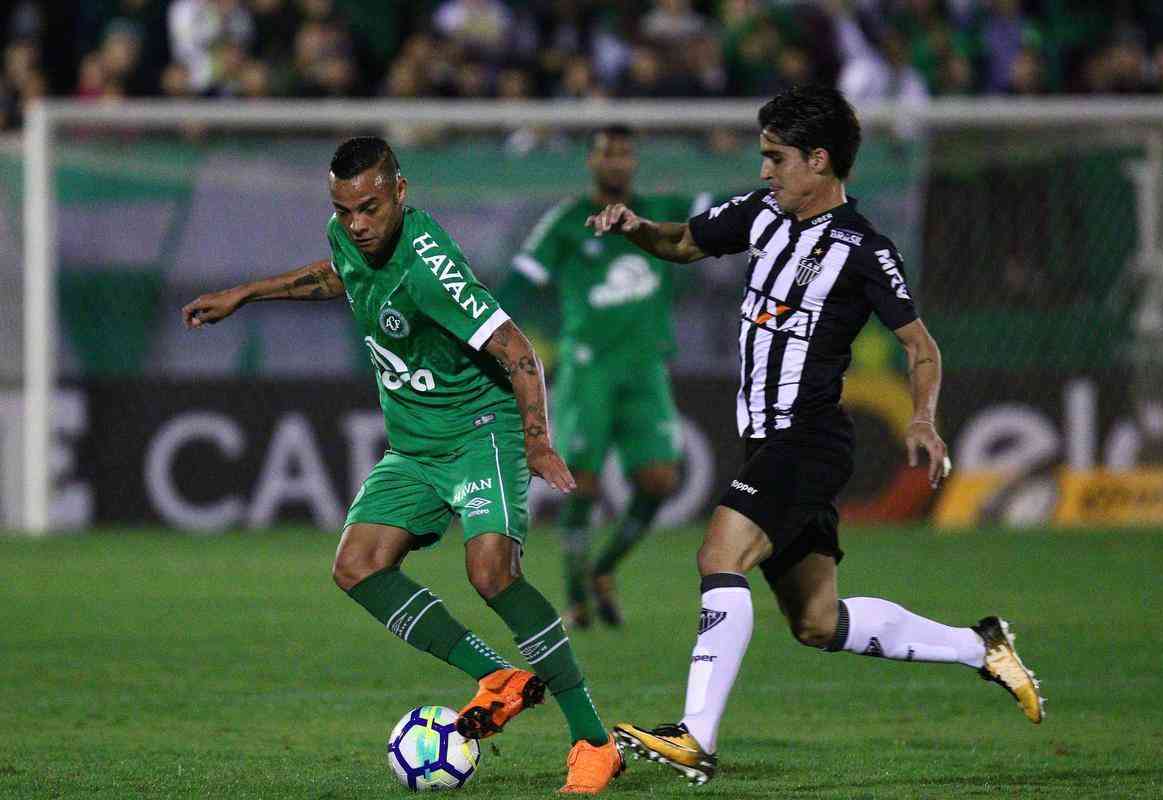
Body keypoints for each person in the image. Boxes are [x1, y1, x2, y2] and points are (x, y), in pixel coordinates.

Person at [585, 85, 1045, 785]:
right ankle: (980, 645)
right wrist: (634, 227)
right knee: (817, 621)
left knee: (719, 554)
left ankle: (695, 736)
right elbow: (681, 241)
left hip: (810, 436)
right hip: (764, 443)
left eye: (776, 158)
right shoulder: (760, 213)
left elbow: (921, 347)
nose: (765, 171)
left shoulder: (864, 250)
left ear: (820, 160)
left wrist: (922, 417)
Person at [181, 137, 623, 795]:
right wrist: (247, 292)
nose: (357, 224)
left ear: (400, 191)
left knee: (491, 574)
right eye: (344, 209)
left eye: (369, 207)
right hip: (415, 444)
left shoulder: (429, 266)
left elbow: (517, 349)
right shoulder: (348, 236)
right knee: (356, 565)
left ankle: (593, 740)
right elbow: (338, 272)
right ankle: (496, 675)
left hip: (481, 432)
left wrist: (535, 440)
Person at [505, 125, 706, 629]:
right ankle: (575, 598)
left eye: (625, 153)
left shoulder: (660, 209)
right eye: (606, 153)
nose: (616, 162)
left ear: (634, 162)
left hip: (646, 367)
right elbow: (522, 279)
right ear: (591, 162)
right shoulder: (569, 220)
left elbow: (722, 209)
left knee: (660, 479)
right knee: (582, 483)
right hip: (588, 367)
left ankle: (603, 568)